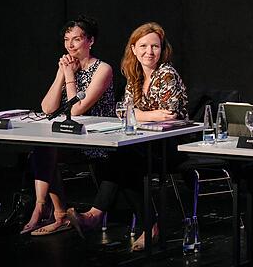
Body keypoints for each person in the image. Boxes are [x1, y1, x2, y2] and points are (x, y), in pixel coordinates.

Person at [68, 22, 188, 251]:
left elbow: (169, 114)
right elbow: (124, 111)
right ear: (133, 49)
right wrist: (147, 115)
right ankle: (148, 224)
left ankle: (97, 215)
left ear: (162, 49)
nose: (149, 52)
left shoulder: (166, 73)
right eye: (143, 46)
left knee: (123, 159)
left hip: (171, 147)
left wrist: (140, 115)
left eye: (155, 46)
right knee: (123, 159)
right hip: (143, 144)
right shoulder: (134, 75)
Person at [22, 15, 115, 236]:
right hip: (69, 138)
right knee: (43, 147)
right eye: (66, 40)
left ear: (90, 41)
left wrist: (69, 76)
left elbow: (76, 109)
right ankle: (51, 210)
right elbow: (47, 108)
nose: (70, 45)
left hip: (95, 140)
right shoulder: (67, 67)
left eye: (76, 39)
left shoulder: (103, 69)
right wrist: (61, 75)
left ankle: (47, 211)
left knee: (47, 149)